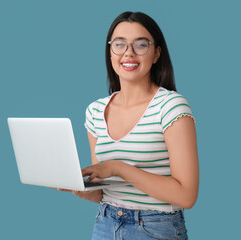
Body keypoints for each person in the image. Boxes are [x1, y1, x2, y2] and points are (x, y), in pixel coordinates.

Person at [60, 11, 199, 240]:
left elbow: (186, 195)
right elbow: (104, 192)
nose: (129, 53)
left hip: (156, 229)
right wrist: (81, 189)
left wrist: (119, 168)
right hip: (106, 224)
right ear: (110, 51)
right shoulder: (95, 111)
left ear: (156, 54)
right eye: (119, 44)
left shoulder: (171, 106)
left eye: (141, 44)